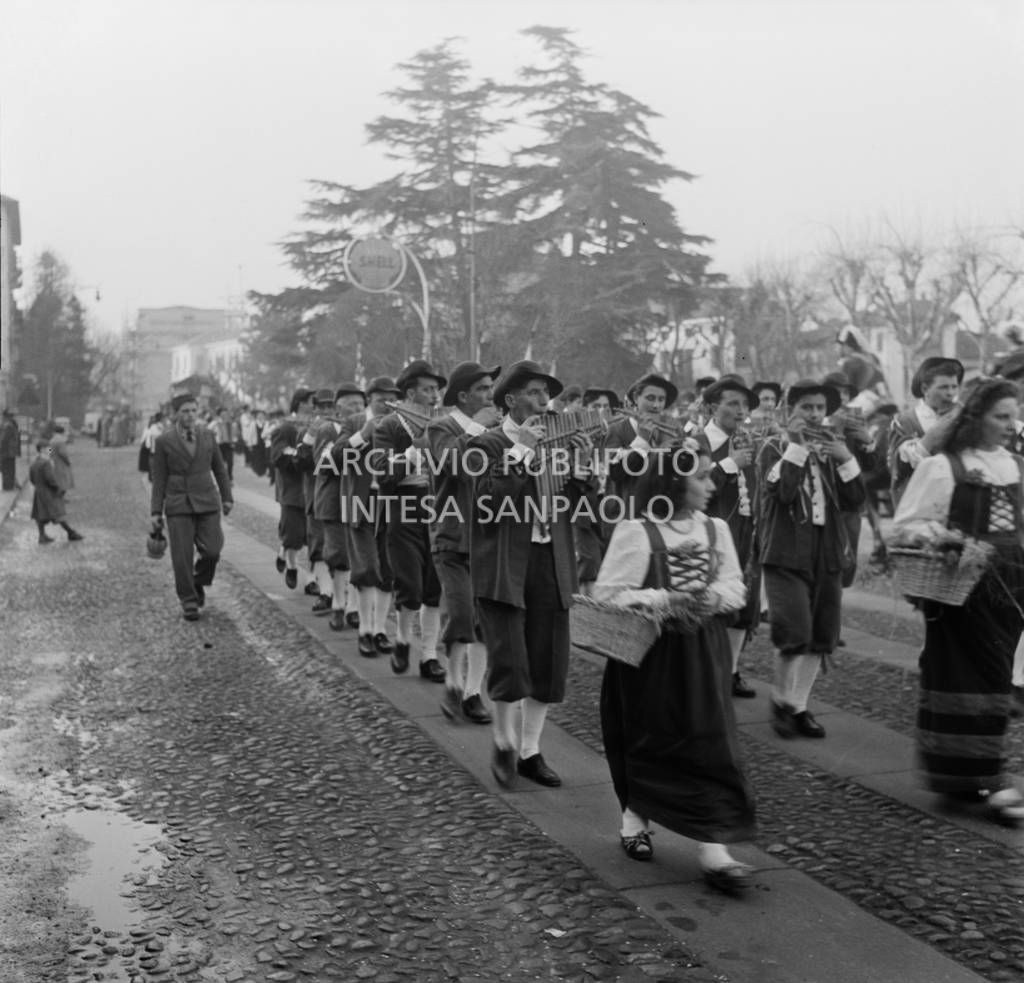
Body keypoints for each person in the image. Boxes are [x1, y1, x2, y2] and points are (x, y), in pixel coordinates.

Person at [594, 440, 756, 892]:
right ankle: (634, 816)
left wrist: (712, 597)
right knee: (651, 734)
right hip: (651, 652)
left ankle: (713, 845)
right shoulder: (637, 531)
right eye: (700, 477)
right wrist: (665, 598)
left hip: (703, 650)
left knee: (710, 735)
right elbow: (608, 594)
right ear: (672, 483)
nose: (709, 484)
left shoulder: (716, 529)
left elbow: (735, 586)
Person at [891, 378, 1024, 824]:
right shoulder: (945, 467)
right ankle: (987, 775)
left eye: (1013, 415)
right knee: (970, 678)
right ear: (975, 417)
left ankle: (966, 776)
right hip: (962, 589)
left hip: (1010, 590)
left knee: (997, 677)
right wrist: (949, 542)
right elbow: (909, 524)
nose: (1010, 425)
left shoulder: (1015, 465)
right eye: (1000, 416)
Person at [470, 360, 593, 789]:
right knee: (510, 659)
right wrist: (520, 450)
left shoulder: (556, 442)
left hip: (551, 559)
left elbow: (577, 504)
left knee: (548, 659)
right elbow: (486, 502)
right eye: (536, 394)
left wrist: (581, 467)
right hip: (504, 562)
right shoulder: (483, 445)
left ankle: (530, 750)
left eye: (547, 395)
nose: (545, 403)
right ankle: (504, 741)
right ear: (510, 401)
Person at [757, 378, 866, 739]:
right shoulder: (773, 447)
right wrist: (797, 447)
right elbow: (784, 493)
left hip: (826, 550)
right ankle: (781, 701)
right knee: (795, 632)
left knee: (821, 635)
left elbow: (854, 501)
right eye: (807, 407)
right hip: (787, 551)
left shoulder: (832, 450)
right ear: (791, 411)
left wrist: (847, 458)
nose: (815, 415)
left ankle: (800, 707)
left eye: (820, 408)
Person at [426, 361, 502, 725]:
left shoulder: (494, 429)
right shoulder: (440, 427)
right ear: (463, 396)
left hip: (488, 538)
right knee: (460, 614)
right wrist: (479, 428)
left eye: (491, 388)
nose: (491, 394)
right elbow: (453, 464)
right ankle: (454, 684)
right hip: (452, 536)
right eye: (484, 389)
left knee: (485, 622)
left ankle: (472, 693)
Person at [373, 361, 448, 682]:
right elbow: (381, 472)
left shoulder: (443, 423)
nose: (434, 396)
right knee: (410, 584)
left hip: (438, 508)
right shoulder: (388, 426)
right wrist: (412, 455)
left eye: (436, 390)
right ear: (410, 392)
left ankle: (429, 654)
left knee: (434, 586)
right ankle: (403, 639)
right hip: (402, 507)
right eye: (428, 389)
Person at [700, 374, 761, 698]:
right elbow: (692, 488)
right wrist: (728, 464)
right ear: (712, 407)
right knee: (715, 606)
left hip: (745, 533)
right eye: (732, 404)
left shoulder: (746, 441)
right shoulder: (698, 442)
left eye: (744, 405)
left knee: (744, 609)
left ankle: (732, 670)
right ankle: (711, 671)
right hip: (712, 534)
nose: (740, 411)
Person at [149, 392, 232, 620]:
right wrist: (156, 511)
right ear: (176, 414)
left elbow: (220, 469)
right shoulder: (164, 441)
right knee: (182, 556)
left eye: (193, 410)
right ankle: (189, 600)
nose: (190, 415)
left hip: (207, 500)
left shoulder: (207, 435)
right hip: (178, 504)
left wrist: (227, 497)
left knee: (213, 549)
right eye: (185, 411)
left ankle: (199, 581)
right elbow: (159, 479)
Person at [339, 377, 399, 656]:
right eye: (380, 400)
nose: (386, 405)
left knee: (387, 568)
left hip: (390, 502)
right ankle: (364, 630)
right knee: (366, 568)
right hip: (361, 502)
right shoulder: (354, 422)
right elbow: (336, 457)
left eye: (391, 400)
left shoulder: (398, 424)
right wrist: (363, 434)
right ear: (369, 399)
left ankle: (380, 630)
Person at [888, 357, 964, 506]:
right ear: (925, 389)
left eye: (954, 387)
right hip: (920, 503)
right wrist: (935, 432)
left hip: (958, 501)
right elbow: (899, 469)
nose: (951, 393)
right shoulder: (904, 421)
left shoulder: (964, 416)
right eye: (943, 387)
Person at [270, 389, 314, 589]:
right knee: (293, 533)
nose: (314, 405)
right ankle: (292, 566)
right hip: (293, 488)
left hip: (314, 488)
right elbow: (278, 454)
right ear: (300, 403)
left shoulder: (319, 424)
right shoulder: (286, 427)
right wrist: (299, 455)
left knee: (314, 536)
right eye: (311, 401)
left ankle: (313, 578)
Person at [29, 440, 83, 544]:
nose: (50, 451)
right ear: (42, 450)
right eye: (48, 449)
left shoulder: (34, 463)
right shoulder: (46, 463)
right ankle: (70, 533)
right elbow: (50, 479)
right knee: (57, 513)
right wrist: (58, 488)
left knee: (40, 514)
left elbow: (32, 479)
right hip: (48, 492)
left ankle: (42, 535)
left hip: (39, 492)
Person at [1, 408, 20, 491]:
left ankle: (8, 487)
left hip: (6, 451)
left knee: (6, 469)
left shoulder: (7, 425)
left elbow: (3, 439)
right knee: (10, 469)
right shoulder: (12, 424)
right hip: (11, 451)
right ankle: (11, 485)